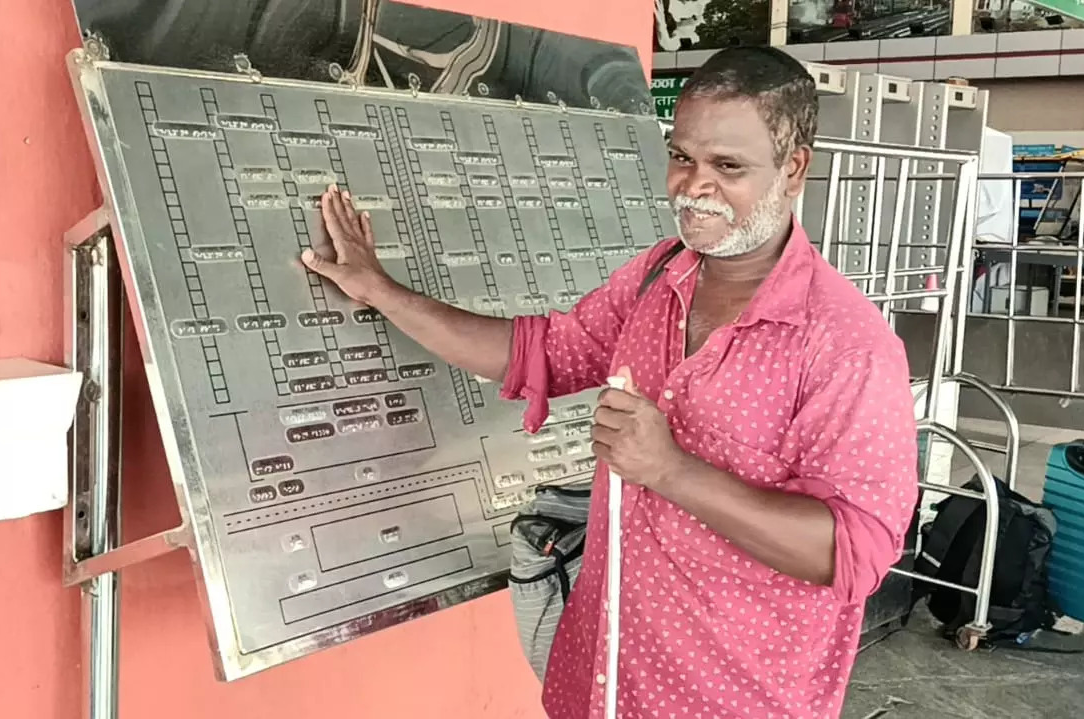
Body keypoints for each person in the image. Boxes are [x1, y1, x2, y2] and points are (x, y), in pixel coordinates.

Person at [300, 45, 918, 719]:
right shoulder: (660, 275)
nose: (693, 186)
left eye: (728, 166)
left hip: (734, 701)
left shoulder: (846, 345)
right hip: (600, 683)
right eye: (682, 156)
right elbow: (539, 351)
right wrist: (381, 290)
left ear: (793, 169)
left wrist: (671, 469)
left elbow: (854, 551)